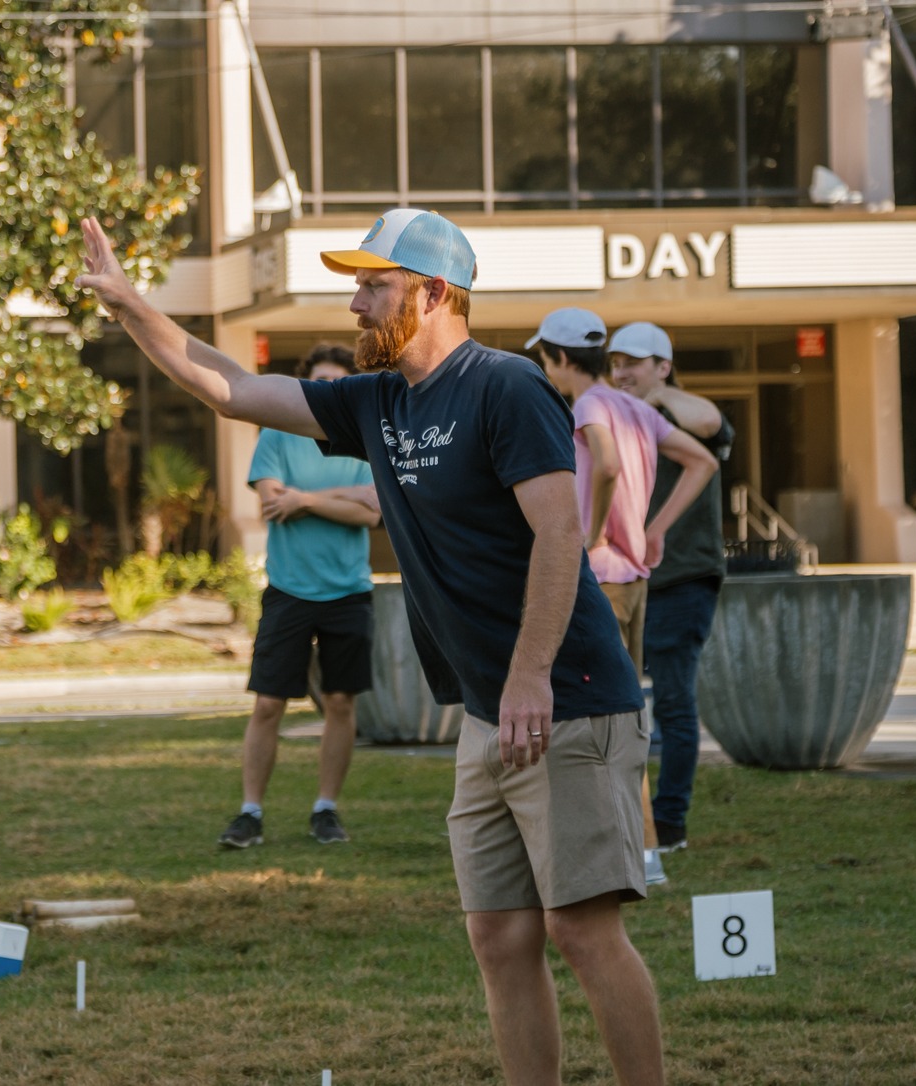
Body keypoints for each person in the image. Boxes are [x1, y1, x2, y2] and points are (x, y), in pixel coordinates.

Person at [79, 207, 664, 1085]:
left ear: (432, 294)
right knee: (498, 934)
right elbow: (230, 386)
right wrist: (130, 305)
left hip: (566, 696)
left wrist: (531, 676)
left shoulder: (506, 387)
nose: (355, 304)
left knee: (581, 929)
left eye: (372, 286)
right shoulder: (378, 402)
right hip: (488, 712)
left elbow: (558, 533)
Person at [531, 307, 717, 885]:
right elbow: (702, 461)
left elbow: (606, 464)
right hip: (635, 577)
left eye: (545, 358)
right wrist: (653, 530)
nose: (545, 368)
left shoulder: (589, 405)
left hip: (604, 578)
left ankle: (631, 850)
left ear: (561, 358)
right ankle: (643, 850)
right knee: (627, 715)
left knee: (595, 717)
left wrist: (589, 535)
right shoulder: (636, 407)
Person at [218, 343, 380, 849]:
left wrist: (305, 498)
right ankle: (250, 813)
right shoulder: (277, 433)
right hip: (288, 591)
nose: (327, 390)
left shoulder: (363, 441)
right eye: (319, 381)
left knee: (340, 703)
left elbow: (373, 512)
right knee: (269, 703)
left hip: (349, 592)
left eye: (337, 383)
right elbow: (272, 502)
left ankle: (325, 810)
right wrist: (342, 498)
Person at [609, 322, 735, 854]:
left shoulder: (682, 414)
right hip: (629, 578)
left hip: (683, 578)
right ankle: (629, 820)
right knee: (617, 706)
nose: (622, 372)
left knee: (674, 705)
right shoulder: (615, 416)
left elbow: (711, 422)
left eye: (634, 363)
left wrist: (657, 395)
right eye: (616, 363)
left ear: (663, 366)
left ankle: (669, 825)